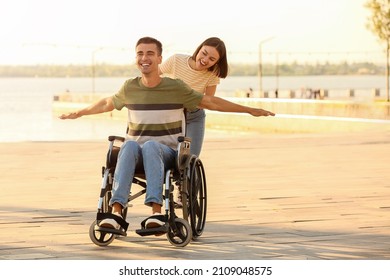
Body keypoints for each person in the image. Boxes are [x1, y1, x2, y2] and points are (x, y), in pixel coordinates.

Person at [59, 36, 275, 232]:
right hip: (141, 146)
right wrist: (79, 113)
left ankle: (157, 213)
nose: (145, 58)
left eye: (150, 54)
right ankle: (115, 215)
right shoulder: (131, 86)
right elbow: (107, 102)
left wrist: (249, 109)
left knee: (159, 148)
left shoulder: (179, 87)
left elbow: (210, 101)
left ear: (159, 58)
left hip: (176, 136)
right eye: (140, 54)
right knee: (128, 145)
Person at [159, 37, 228, 157]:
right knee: (164, 153)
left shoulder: (213, 74)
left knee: (189, 158)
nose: (205, 60)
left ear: (217, 62)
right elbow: (152, 77)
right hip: (170, 116)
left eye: (211, 59)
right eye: (204, 53)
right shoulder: (176, 60)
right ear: (199, 49)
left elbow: (208, 100)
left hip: (194, 117)